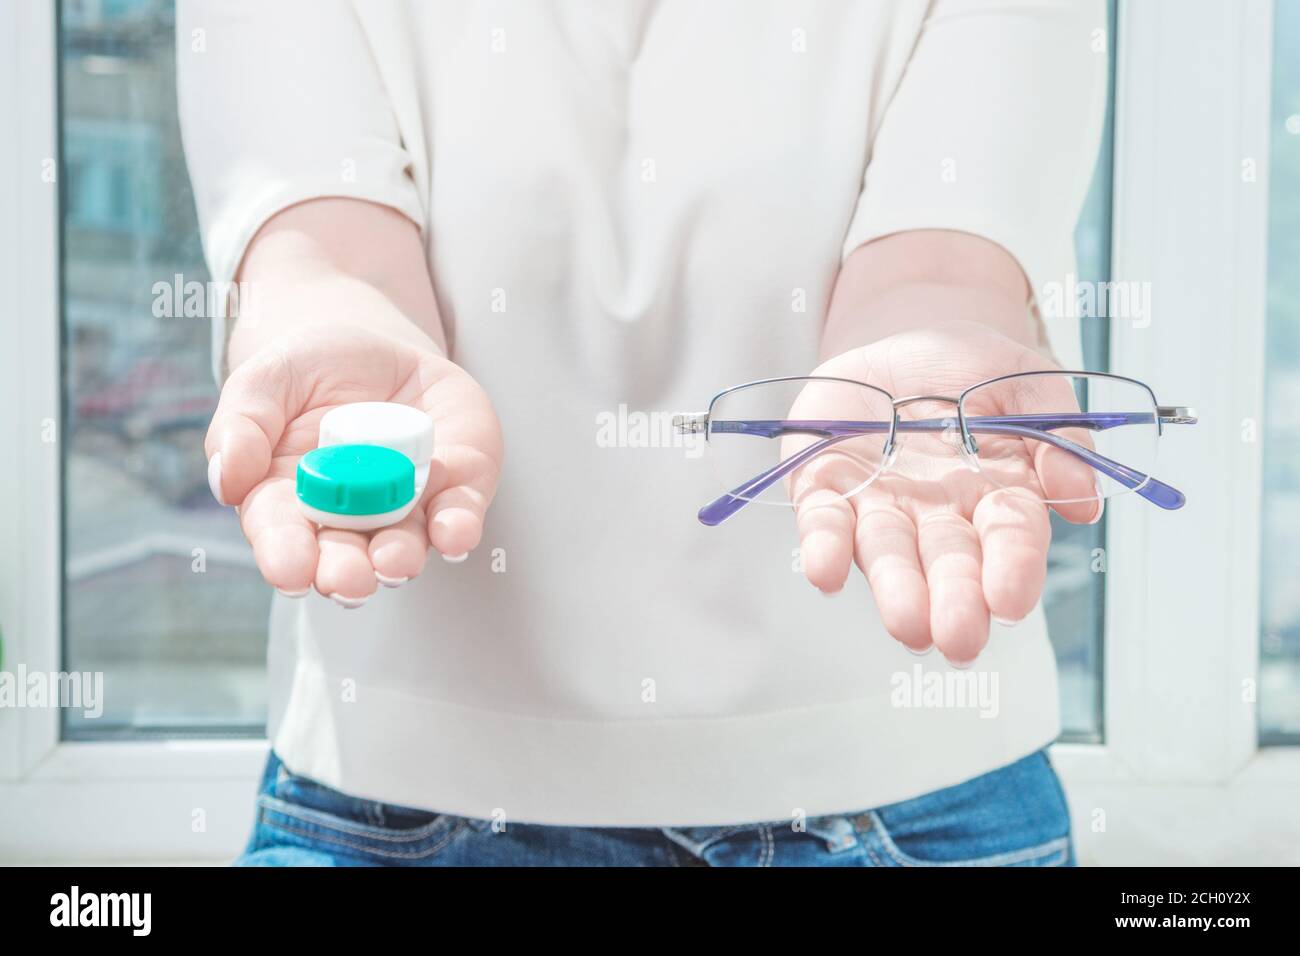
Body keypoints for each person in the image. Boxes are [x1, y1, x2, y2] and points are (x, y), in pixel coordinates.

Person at [177, 0, 1106, 866]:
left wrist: (929, 345)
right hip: (397, 801)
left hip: (906, 797)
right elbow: (329, 251)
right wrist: (331, 331)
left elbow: (939, 264)